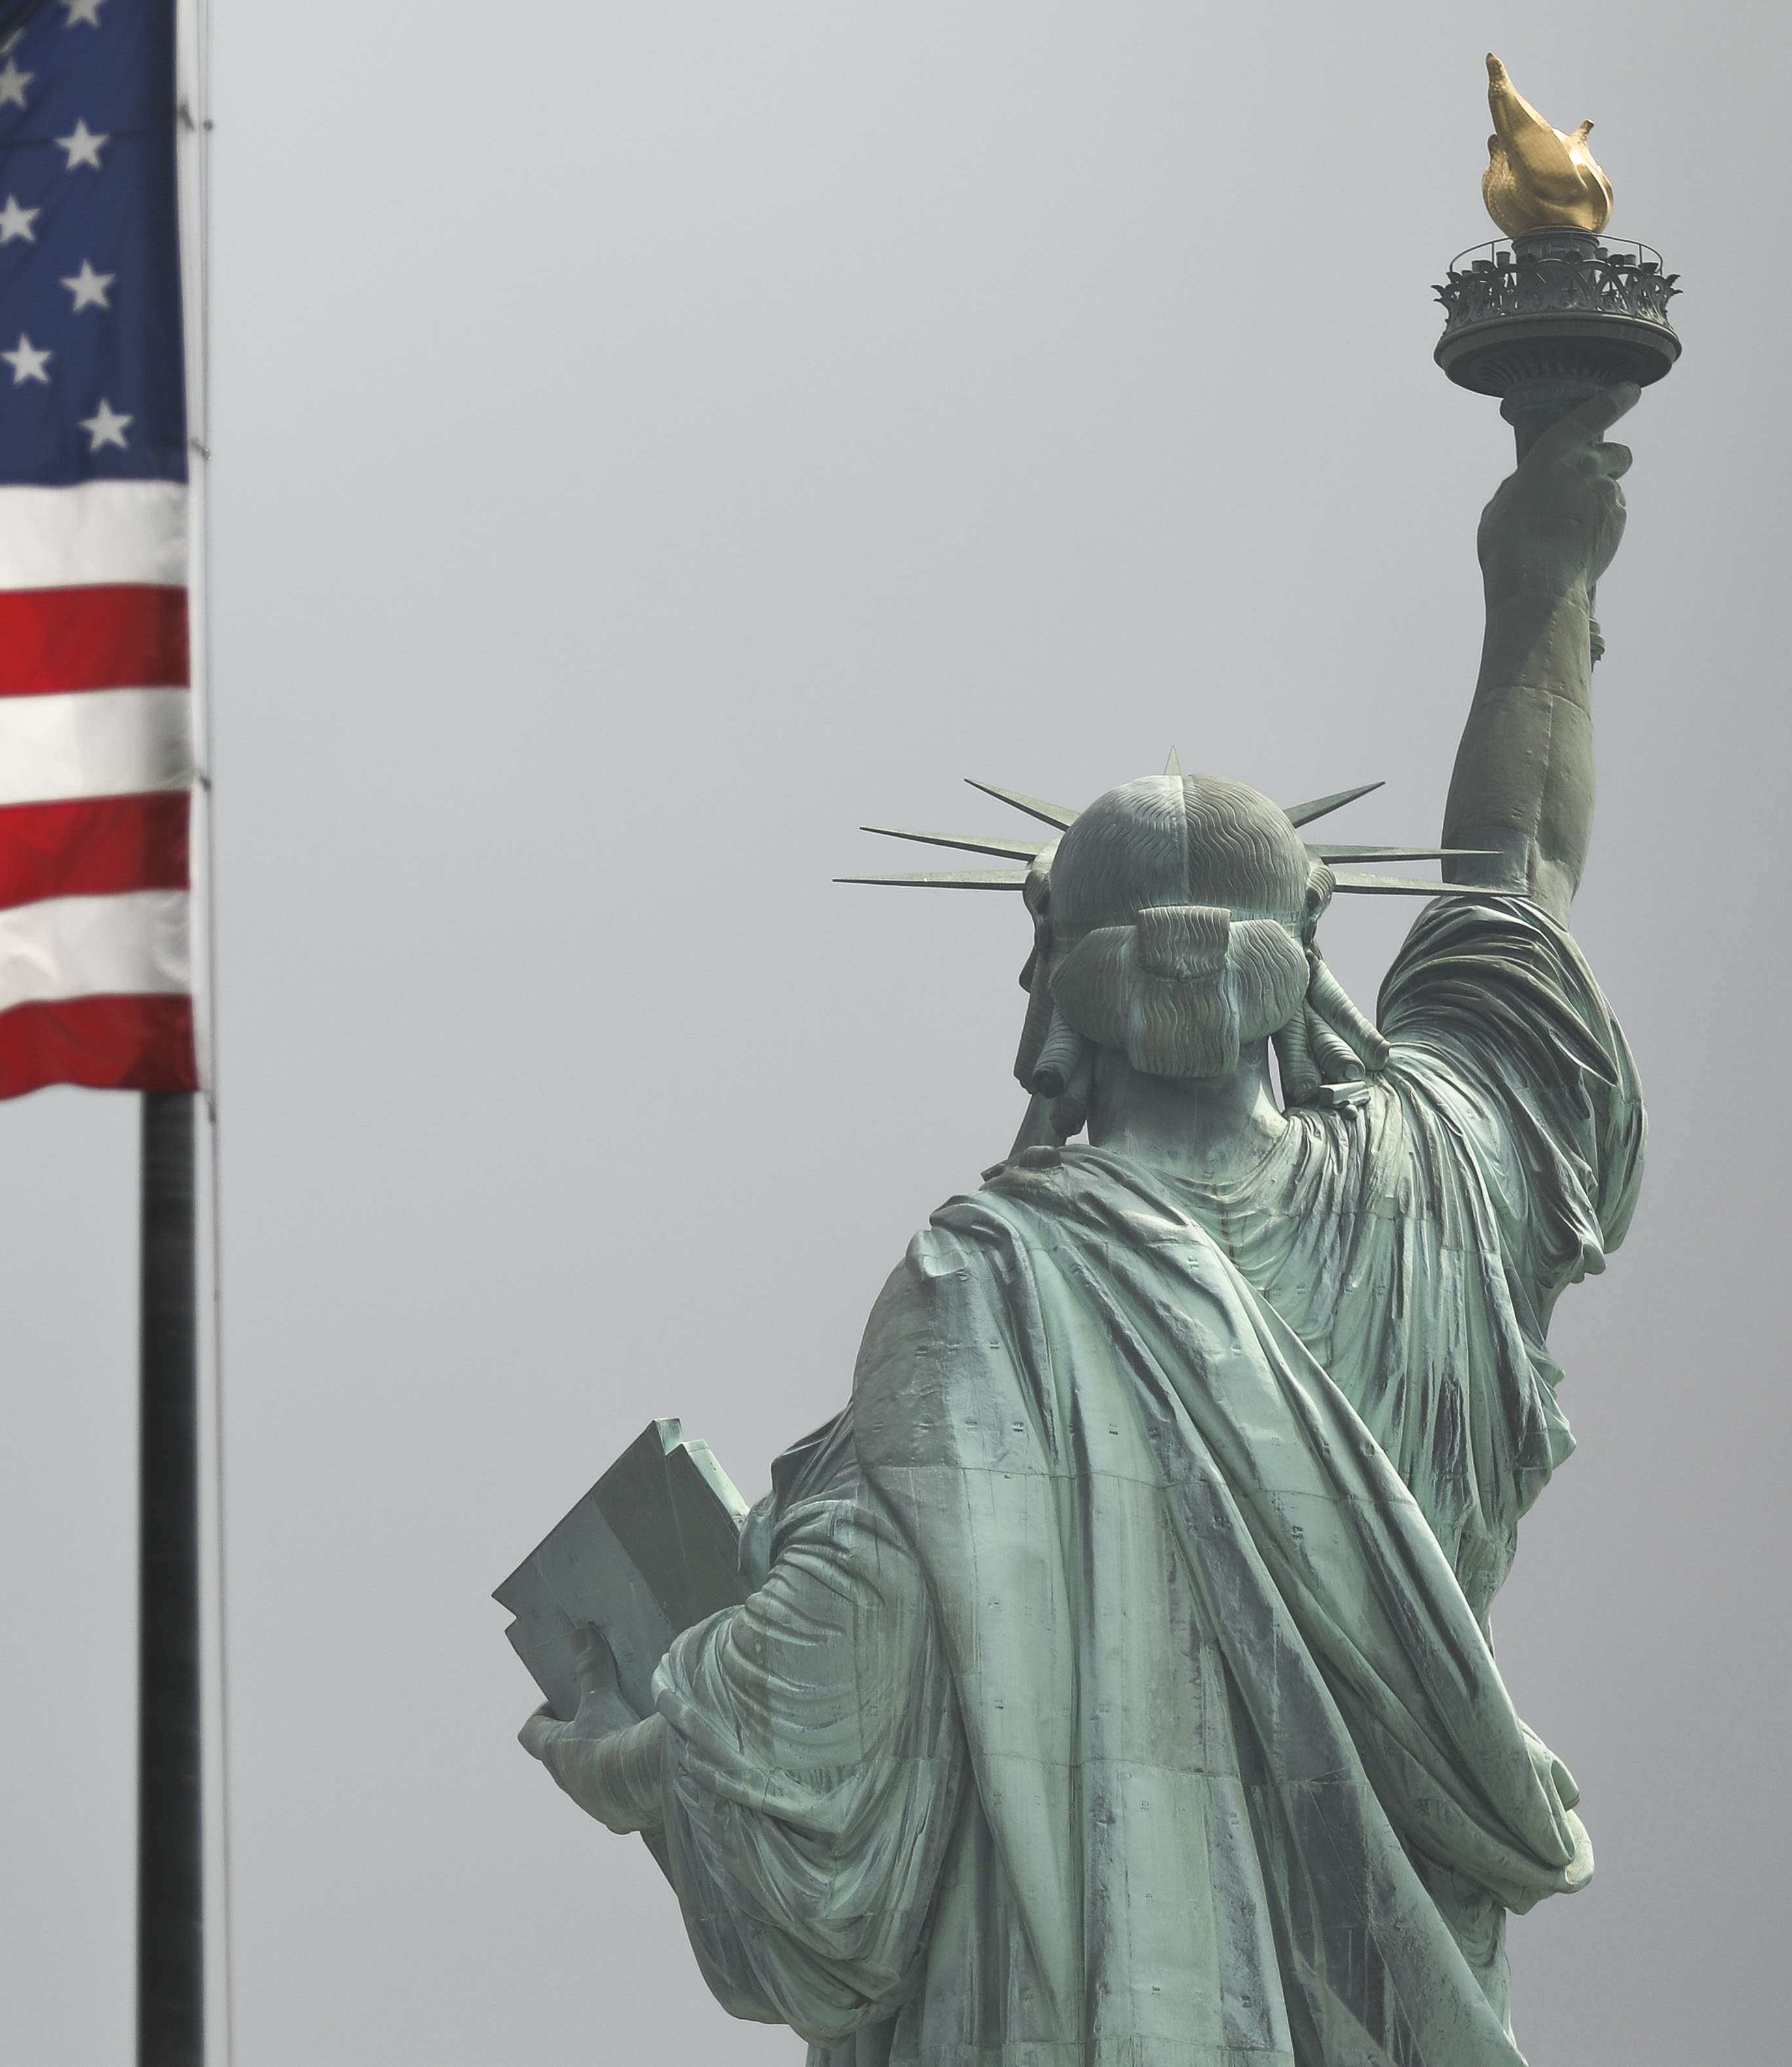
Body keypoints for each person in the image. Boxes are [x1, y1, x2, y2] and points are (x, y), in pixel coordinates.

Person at [521, 388, 1647, 2066]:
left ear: (1056, 1004)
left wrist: (643, 1729)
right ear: (1305, 986)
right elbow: (1515, 876)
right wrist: (1539, 584)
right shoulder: (1443, 1208)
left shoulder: (979, 1295)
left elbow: (819, 1757)